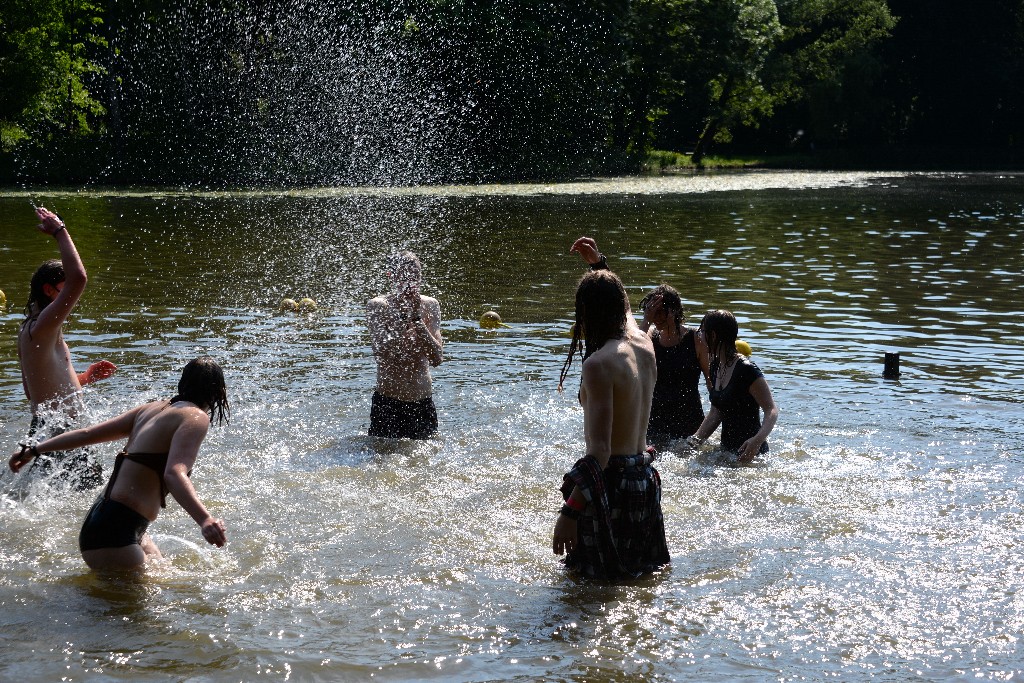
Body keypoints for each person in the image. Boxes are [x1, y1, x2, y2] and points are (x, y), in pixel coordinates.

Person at [9, 357, 230, 571]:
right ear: (218, 392)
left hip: (108, 522)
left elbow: (86, 434)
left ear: (182, 383)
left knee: (163, 574)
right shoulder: (196, 417)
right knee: (149, 604)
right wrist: (205, 520)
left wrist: (33, 450)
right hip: (115, 533)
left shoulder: (150, 409)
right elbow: (173, 473)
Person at [552, 237, 670, 579]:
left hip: (613, 489)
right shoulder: (645, 343)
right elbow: (627, 312)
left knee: (592, 584)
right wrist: (600, 265)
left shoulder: (599, 363)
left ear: (585, 312)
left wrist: (569, 513)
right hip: (644, 481)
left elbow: (600, 453)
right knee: (641, 578)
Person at [18, 206, 116, 489]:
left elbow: (34, 391)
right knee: (98, 498)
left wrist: (86, 378)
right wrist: (60, 230)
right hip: (62, 431)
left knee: (63, 502)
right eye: (63, 289)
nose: (70, 298)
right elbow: (80, 278)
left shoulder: (30, 330)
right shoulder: (42, 326)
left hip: (47, 430)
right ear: (49, 290)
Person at [366, 251, 444, 439]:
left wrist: (417, 320)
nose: (411, 281)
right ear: (391, 276)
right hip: (388, 403)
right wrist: (403, 318)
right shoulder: (379, 306)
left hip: (423, 402)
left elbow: (437, 358)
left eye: (415, 275)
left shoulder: (430, 305)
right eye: (404, 275)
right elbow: (381, 354)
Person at [687, 310, 779, 462]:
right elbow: (716, 412)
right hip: (726, 451)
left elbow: (771, 410)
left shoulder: (746, 369)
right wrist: (694, 442)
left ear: (713, 335)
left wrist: (756, 441)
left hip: (752, 455)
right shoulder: (716, 366)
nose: (699, 336)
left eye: (702, 331)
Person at [638, 284, 709, 442]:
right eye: (652, 312)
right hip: (655, 420)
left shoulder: (696, 339)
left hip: (689, 420)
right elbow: (630, 353)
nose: (656, 317)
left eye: (661, 312)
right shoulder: (648, 335)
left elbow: (712, 383)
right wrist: (646, 320)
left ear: (675, 310)